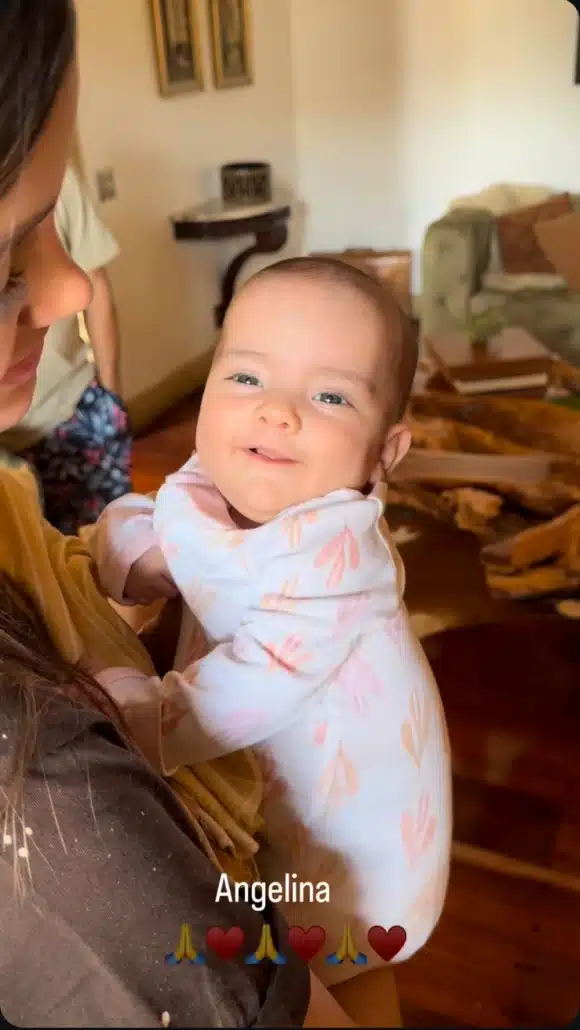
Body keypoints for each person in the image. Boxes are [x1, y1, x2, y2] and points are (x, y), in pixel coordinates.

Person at [0, 2, 356, 1025]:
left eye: (327, 396)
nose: (69, 288)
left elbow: (71, 560)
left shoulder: (333, 541)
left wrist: (132, 567)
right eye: (13, 255)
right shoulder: (51, 792)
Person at [90, 258, 452, 990]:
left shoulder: (335, 561)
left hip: (347, 843)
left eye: (329, 395)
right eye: (247, 379)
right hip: (265, 780)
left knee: (270, 952)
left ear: (385, 452)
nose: (277, 411)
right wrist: (137, 554)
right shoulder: (221, 474)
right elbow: (162, 522)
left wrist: (127, 712)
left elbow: (233, 697)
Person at [0, 161, 130, 535]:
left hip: (75, 409)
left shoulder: (56, 173)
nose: (75, 293)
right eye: (9, 263)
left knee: (108, 551)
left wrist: (111, 394)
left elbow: (96, 289)